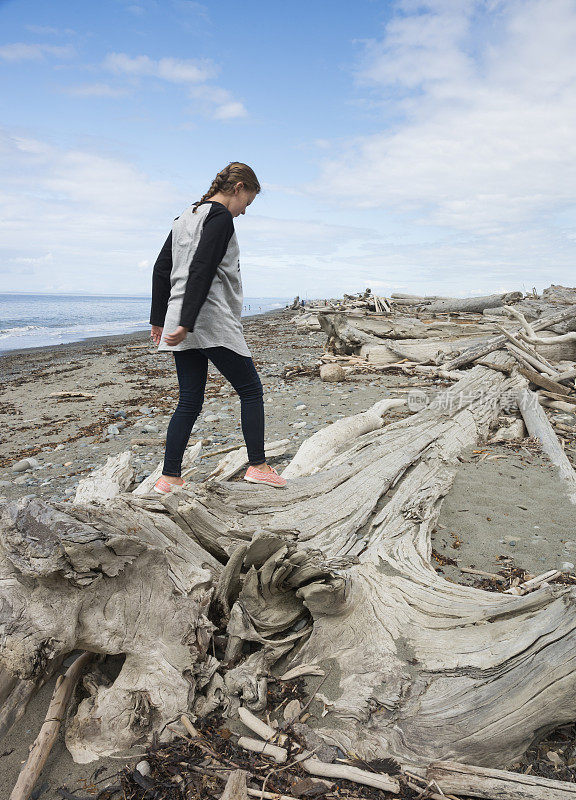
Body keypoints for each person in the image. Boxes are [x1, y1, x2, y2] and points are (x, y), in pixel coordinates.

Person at [149, 162, 287, 492]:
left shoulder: (185, 216)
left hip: (182, 313)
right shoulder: (220, 216)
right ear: (238, 188)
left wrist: (159, 319)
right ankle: (257, 465)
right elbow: (203, 267)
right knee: (251, 389)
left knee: (190, 400)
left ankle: (169, 477)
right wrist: (187, 322)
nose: (243, 213)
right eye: (247, 204)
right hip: (208, 317)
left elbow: (161, 268)